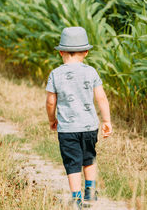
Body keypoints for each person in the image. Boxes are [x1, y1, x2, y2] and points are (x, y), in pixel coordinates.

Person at [46, 27, 112, 209]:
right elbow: (101, 98)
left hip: (67, 129)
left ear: (61, 52)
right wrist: (106, 121)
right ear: (86, 52)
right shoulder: (91, 72)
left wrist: (52, 119)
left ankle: (76, 199)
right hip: (90, 126)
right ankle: (90, 191)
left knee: (72, 162)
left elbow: (51, 102)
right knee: (89, 157)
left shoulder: (55, 74)